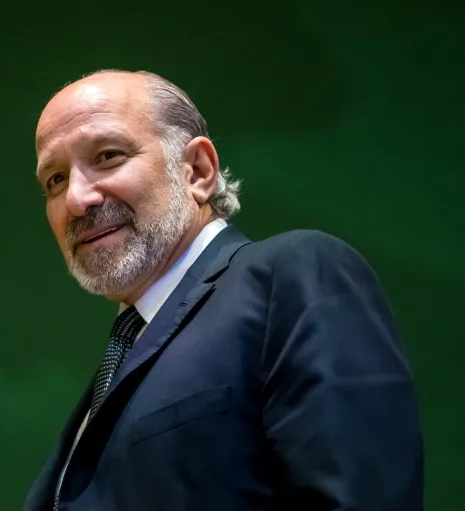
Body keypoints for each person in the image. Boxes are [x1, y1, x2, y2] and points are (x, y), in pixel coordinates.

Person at [24, 69, 423, 511]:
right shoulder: (123, 353)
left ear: (197, 170)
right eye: (55, 180)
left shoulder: (292, 276)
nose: (77, 199)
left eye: (108, 156)